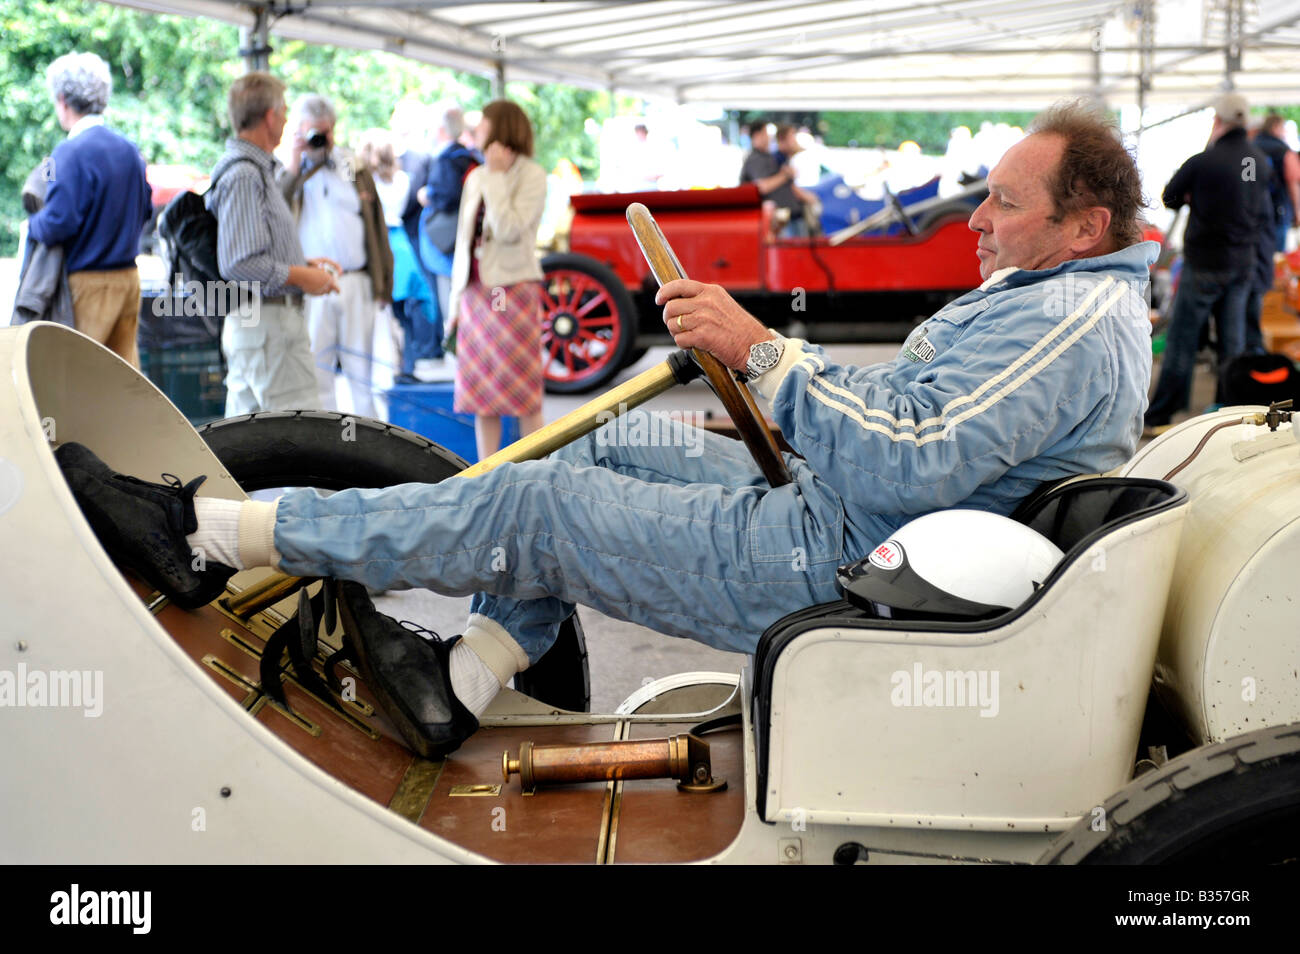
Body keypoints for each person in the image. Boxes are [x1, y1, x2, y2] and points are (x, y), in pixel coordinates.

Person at [59, 101, 1156, 761]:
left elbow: (909, 452)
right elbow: (914, 429)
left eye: (1003, 204)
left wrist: (761, 351)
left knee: (536, 505)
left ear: (1084, 226)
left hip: (842, 561)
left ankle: (205, 534)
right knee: (581, 447)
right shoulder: (1059, 300)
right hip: (851, 524)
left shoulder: (1068, 317)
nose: (973, 218)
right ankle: (468, 677)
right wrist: (766, 375)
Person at [204, 72, 338, 416]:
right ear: (269, 117)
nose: (285, 120)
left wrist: (301, 265)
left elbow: (253, 252)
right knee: (296, 439)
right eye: (283, 112)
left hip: (265, 329)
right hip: (268, 329)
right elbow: (240, 263)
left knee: (256, 445)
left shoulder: (254, 171)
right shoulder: (245, 173)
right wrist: (302, 277)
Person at [1144, 92, 1274, 433]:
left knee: (1184, 340)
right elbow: (1256, 204)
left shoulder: (1203, 161)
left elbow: (1170, 196)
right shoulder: (1257, 162)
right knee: (1233, 342)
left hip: (1205, 263)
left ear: (1217, 122)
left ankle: (1161, 415)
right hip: (1242, 264)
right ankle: (1231, 414)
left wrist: (1195, 195)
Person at [26, 52, 151, 368]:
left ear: (62, 99)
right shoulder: (129, 150)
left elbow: (59, 221)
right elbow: (146, 209)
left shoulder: (67, 153)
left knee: (79, 379)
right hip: (129, 279)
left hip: (89, 286)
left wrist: (33, 223)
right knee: (123, 381)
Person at [281, 94, 394, 418]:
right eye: (313, 131)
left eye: (325, 131)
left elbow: (377, 225)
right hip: (312, 284)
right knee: (317, 372)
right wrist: (295, 160)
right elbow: (277, 204)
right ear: (299, 130)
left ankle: (372, 449)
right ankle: (329, 452)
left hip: (357, 280)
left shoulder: (354, 167)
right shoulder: (290, 170)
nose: (320, 139)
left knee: (362, 372)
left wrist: (384, 282)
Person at [446, 100, 547, 460]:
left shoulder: (531, 174)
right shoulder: (476, 175)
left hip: (514, 291)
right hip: (475, 292)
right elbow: (464, 241)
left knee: (524, 394)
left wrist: (500, 177)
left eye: (484, 124)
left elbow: (510, 230)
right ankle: (485, 470)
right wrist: (455, 303)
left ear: (501, 127)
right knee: (481, 394)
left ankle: (535, 469)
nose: (478, 131)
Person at [360, 129, 439, 384]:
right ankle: (409, 362)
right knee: (408, 309)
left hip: (379, 244)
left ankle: (389, 365)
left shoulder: (366, 183)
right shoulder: (404, 180)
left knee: (384, 309)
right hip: (401, 242)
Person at [418, 104, 480, 368]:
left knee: (451, 303)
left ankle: (458, 361)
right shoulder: (471, 156)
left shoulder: (447, 158)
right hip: (463, 242)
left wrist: (427, 196)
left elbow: (446, 197)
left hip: (446, 245)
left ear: (442, 130)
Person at [1252, 113, 1300, 253]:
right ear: (1275, 127)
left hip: (1252, 209)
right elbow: (1293, 181)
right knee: (1277, 255)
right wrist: (1297, 210)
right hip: (1279, 208)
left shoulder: (1250, 147)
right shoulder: (1283, 150)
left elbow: (1245, 179)